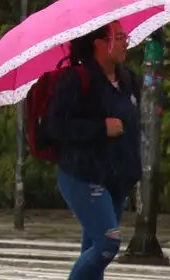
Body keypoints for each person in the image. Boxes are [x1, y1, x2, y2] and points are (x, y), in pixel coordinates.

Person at [47, 20, 139, 280]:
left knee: (94, 251)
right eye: (119, 37)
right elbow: (56, 126)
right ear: (100, 43)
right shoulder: (77, 79)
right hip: (82, 175)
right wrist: (100, 128)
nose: (126, 42)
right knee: (107, 244)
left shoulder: (128, 79)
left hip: (116, 178)